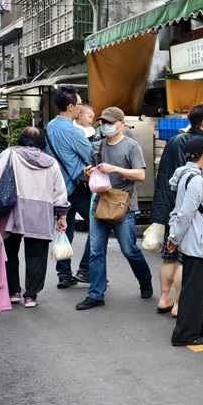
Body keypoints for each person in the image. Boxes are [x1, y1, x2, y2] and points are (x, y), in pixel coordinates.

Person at [151, 104, 203, 315]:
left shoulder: (176, 141)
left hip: (172, 207)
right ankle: (179, 305)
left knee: (169, 256)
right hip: (193, 212)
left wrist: (161, 214)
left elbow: (165, 178)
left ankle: (163, 298)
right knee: (184, 261)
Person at [0, 127, 69, 308]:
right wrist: (62, 215)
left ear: (21, 140)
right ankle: (31, 295)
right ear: (41, 143)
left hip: (13, 210)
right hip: (41, 213)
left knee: (10, 251)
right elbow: (59, 191)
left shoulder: (10, 154)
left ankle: (13, 291)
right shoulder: (51, 162)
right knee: (37, 255)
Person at [76, 107, 153, 310]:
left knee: (129, 249)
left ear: (121, 123)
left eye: (110, 122)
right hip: (100, 202)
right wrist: (88, 174)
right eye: (103, 122)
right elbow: (95, 177)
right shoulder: (97, 147)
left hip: (123, 205)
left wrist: (115, 169)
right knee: (95, 251)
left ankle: (145, 279)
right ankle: (96, 294)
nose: (106, 126)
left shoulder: (131, 146)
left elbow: (141, 175)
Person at [167, 137, 203, 346]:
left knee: (197, 287)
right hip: (196, 238)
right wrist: (174, 237)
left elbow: (178, 211)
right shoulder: (196, 180)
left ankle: (198, 327)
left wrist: (174, 237)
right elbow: (186, 213)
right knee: (194, 289)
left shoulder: (185, 176)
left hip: (191, 237)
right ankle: (185, 334)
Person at [45, 85, 93, 288]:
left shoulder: (49, 127)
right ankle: (85, 269)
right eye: (80, 104)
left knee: (65, 229)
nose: (81, 109)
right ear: (71, 106)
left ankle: (64, 275)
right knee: (99, 224)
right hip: (77, 187)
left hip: (58, 190)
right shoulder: (74, 132)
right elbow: (91, 157)